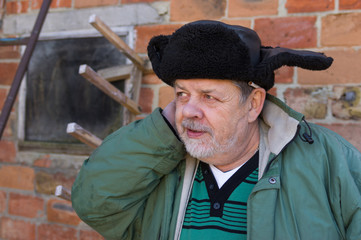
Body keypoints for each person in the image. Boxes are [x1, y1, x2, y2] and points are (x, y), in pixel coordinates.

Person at [71, 20, 361, 240]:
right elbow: (93, 205)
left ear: (253, 104)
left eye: (209, 96)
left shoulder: (331, 160)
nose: (189, 111)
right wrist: (163, 131)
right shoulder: (158, 167)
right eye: (182, 94)